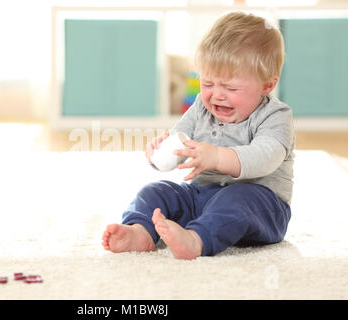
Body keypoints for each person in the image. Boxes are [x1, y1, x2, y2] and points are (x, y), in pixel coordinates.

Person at [101, 11, 295, 259]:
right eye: (208, 83)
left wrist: (216, 157)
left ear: (267, 85)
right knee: (155, 191)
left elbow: (266, 156)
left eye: (230, 87)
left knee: (237, 198)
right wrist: (161, 152)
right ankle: (141, 231)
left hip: (260, 207)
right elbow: (181, 138)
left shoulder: (275, 116)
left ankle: (196, 239)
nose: (217, 95)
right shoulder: (201, 109)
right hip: (202, 197)